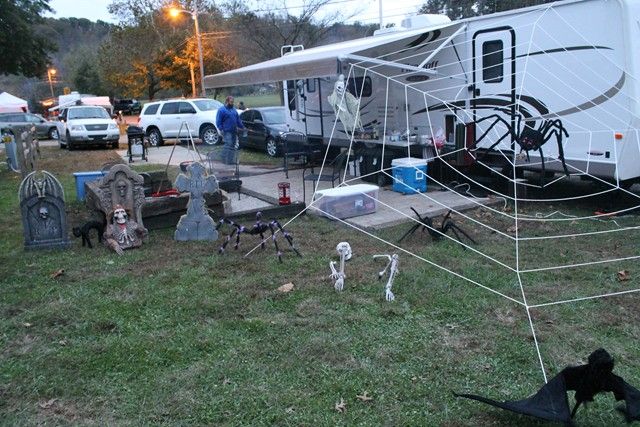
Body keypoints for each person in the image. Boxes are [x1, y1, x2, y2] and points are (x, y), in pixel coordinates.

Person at [216, 96, 245, 165]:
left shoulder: (234, 110)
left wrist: (242, 127)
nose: (232, 103)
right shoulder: (221, 110)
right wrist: (221, 129)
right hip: (226, 131)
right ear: (227, 102)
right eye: (231, 102)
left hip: (234, 130)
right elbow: (218, 121)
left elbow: (238, 120)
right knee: (228, 144)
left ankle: (230, 160)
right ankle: (223, 157)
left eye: (233, 102)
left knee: (233, 145)